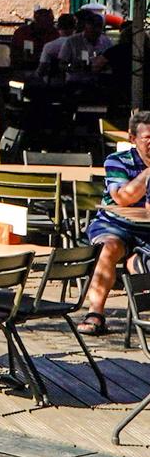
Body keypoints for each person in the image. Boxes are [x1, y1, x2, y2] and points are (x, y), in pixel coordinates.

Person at [75, 109, 150, 334]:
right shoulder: (117, 161)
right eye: (147, 138)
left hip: (147, 231)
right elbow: (123, 198)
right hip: (114, 225)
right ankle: (95, 313)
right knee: (109, 248)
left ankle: (143, 318)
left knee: (137, 262)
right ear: (132, 138)